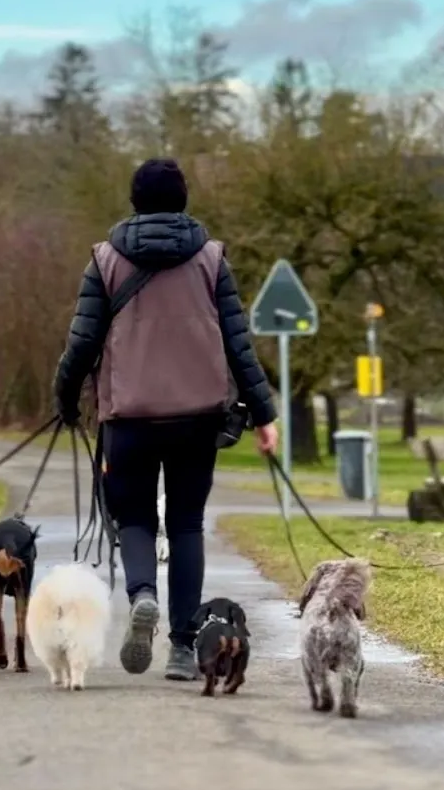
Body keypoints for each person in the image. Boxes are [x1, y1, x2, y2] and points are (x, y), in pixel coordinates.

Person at [53, 157, 278, 682]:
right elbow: (238, 343)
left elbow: (82, 342)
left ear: (134, 201)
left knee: (133, 518)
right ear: (183, 200)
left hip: (128, 417)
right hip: (198, 416)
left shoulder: (105, 261)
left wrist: (65, 400)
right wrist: (263, 413)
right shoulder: (211, 260)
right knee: (186, 524)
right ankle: (181, 647)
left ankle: (142, 595)